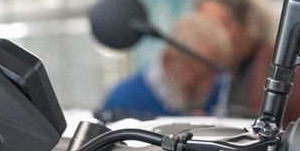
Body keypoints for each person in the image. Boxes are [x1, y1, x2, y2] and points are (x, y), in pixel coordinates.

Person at [197, 0, 300, 125]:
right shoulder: (221, 70)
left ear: (245, 26)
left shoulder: (282, 65)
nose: (208, 37)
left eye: (215, 28)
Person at [99, 11, 231, 119]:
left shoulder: (219, 93)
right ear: (168, 60)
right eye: (199, 76)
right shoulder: (124, 103)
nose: (208, 87)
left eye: (213, 76)